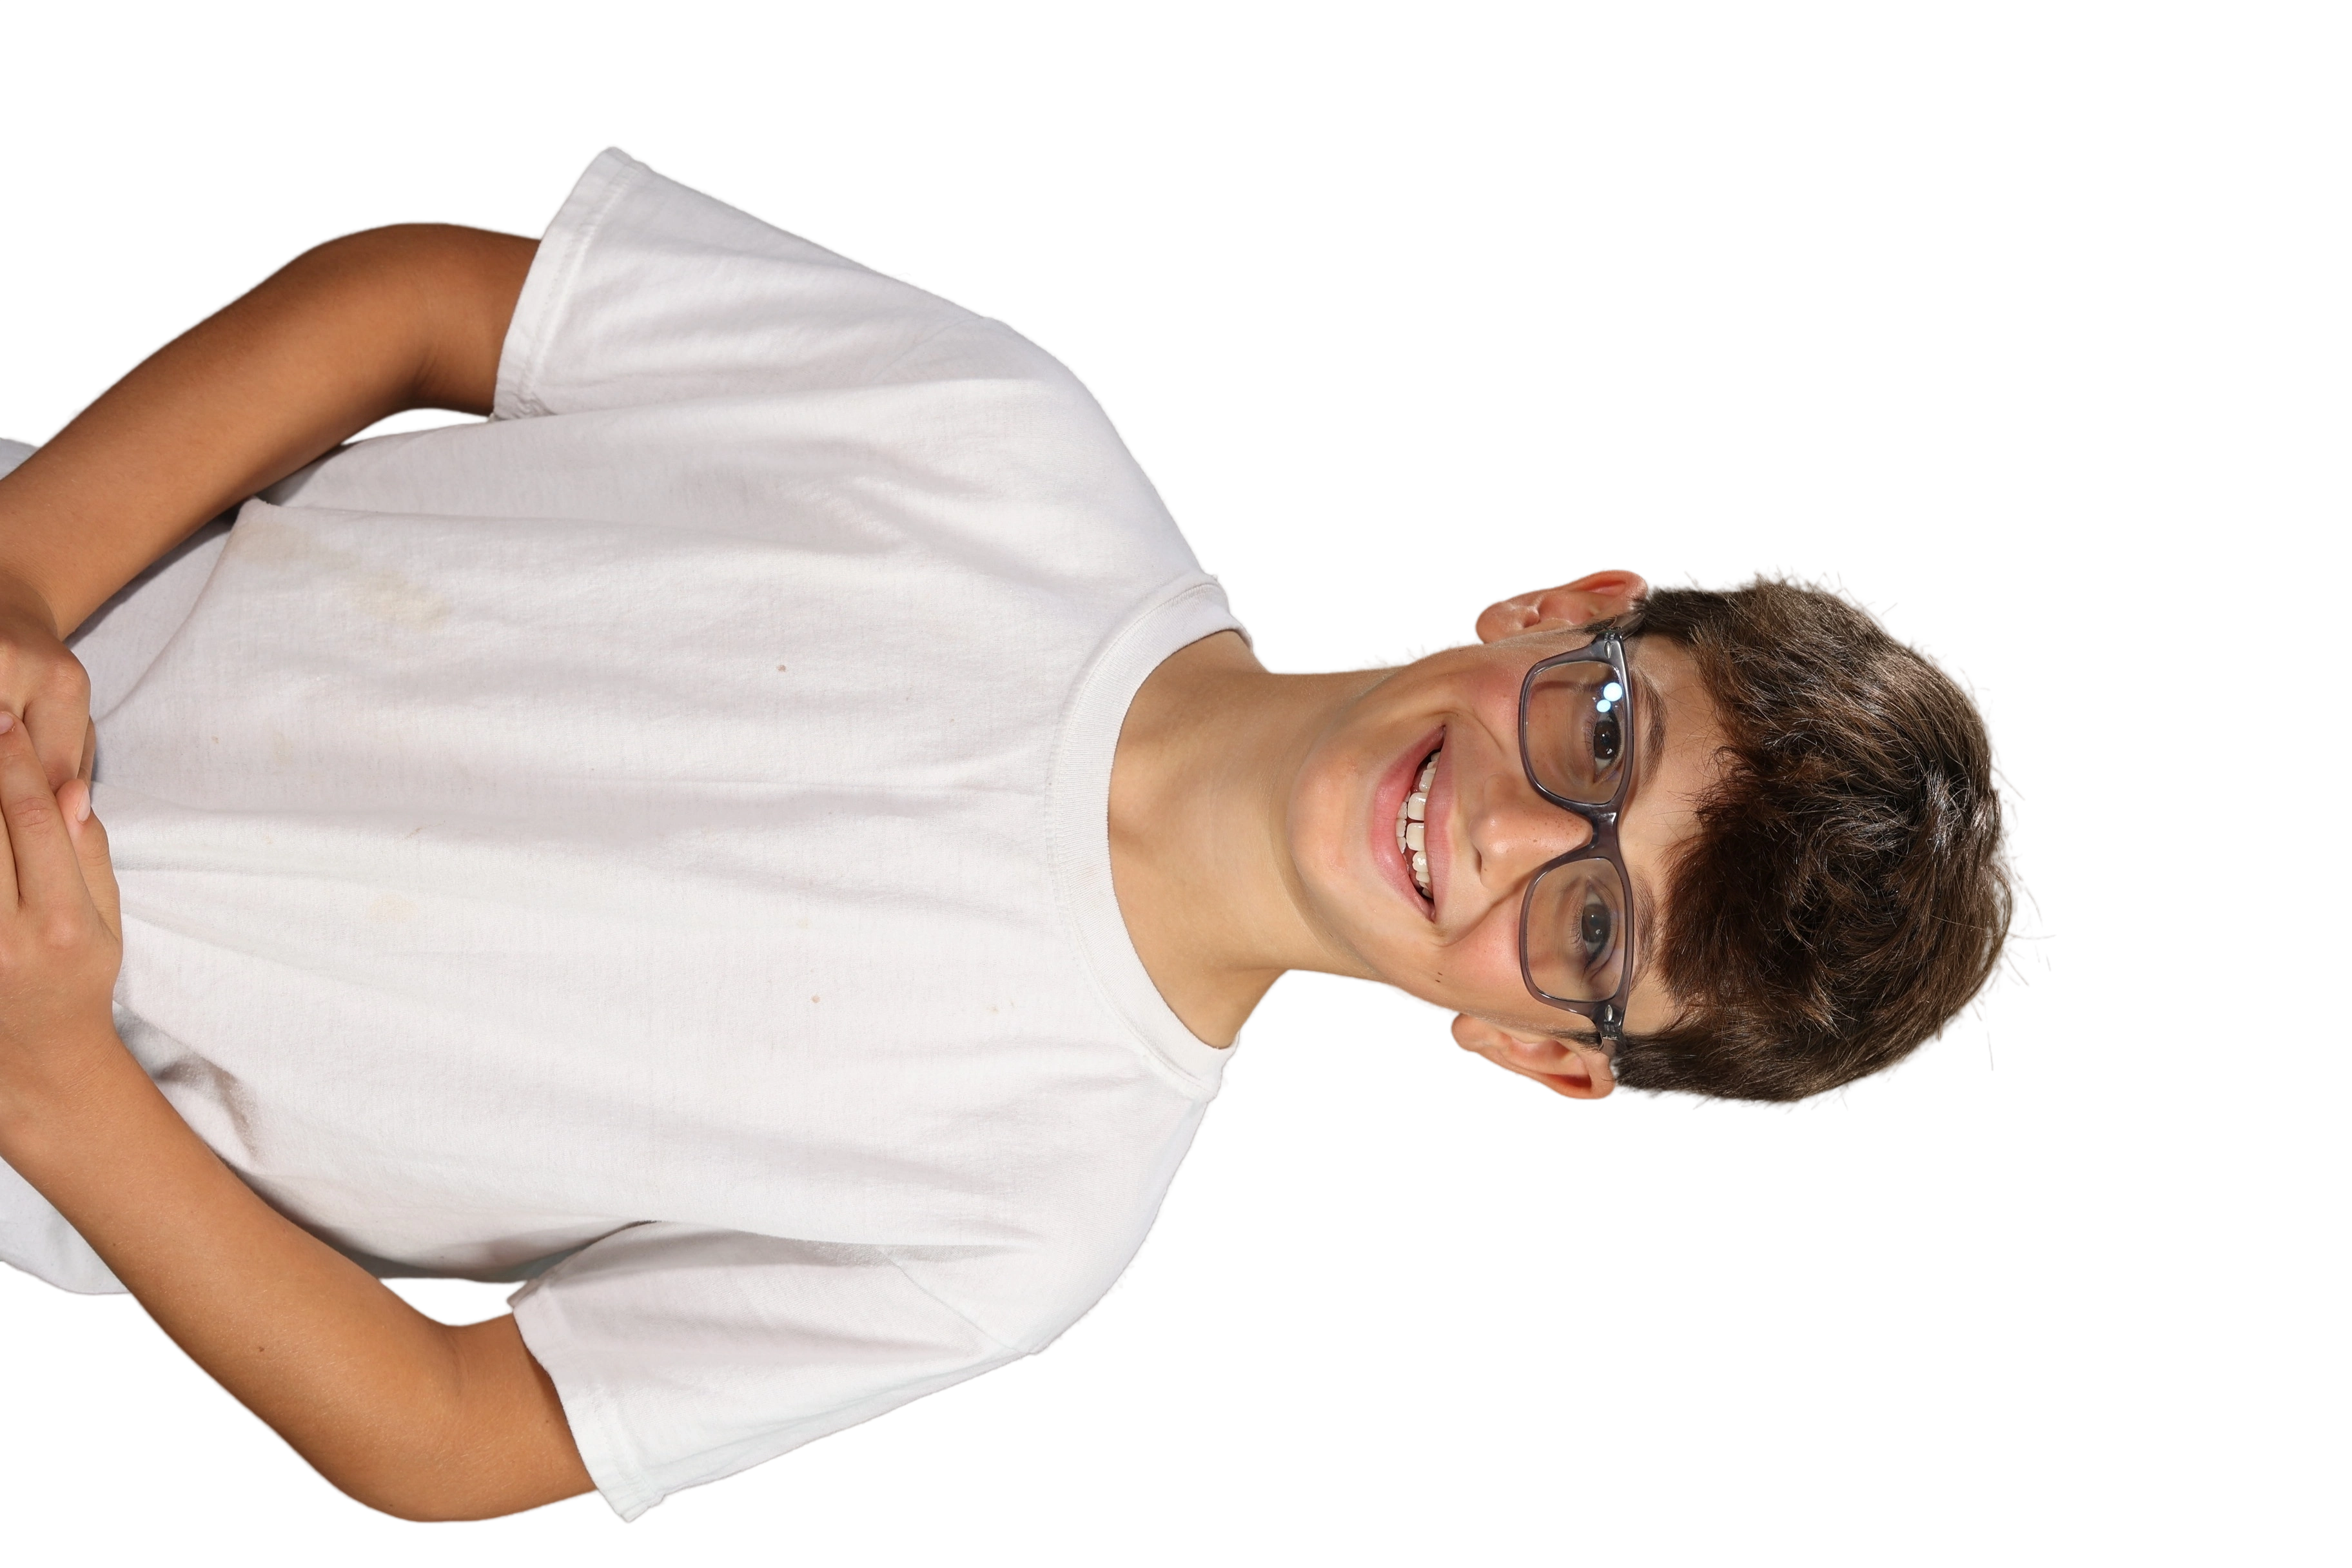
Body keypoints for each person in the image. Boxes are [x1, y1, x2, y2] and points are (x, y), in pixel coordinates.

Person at [0, 144, 2037, 1525]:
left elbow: (461, 1439)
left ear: (1543, 1053)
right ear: (1564, 611)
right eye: (1600, 733)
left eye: (1590, 932)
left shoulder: (1016, 1226)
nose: (1511, 830)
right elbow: (433, 301)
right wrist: (18, 589)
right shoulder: (999, 444)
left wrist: (60, 1082)